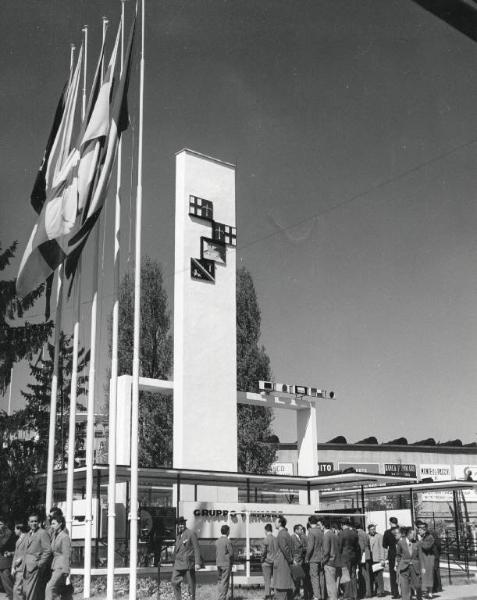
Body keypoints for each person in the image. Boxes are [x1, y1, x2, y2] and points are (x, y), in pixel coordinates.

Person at [22, 512, 52, 600]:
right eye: (31, 521)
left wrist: (39, 563)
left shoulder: (42, 533)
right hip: (25, 567)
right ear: (28, 522)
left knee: (30, 593)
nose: (33, 523)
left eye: (35, 521)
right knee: (26, 591)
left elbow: (48, 550)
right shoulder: (28, 534)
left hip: (35, 567)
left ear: (38, 522)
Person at [171, 516, 202, 600]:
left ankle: (192, 598)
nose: (180, 526)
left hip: (188, 563)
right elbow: (176, 550)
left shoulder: (191, 533)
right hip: (178, 563)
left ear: (184, 524)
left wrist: (197, 563)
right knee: (174, 581)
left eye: (181, 524)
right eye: (178, 524)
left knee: (191, 585)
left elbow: (196, 548)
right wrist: (173, 560)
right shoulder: (178, 536)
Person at [45, 514, 71, 600]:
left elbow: (67, 554)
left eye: (54, 523)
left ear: (60, 524)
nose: (52, 526)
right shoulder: (55, 536)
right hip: (54, 565)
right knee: (55, 591)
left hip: (61, 566)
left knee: (49, 587)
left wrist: (66, 570)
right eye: (51, 524)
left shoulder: (64, 537)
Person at [396, 527, 422, 600]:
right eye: (412, 534)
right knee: (404, 586)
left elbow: (420, 555)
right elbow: (398, 555)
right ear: (407, 534)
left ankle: (419, 597)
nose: (413, 535)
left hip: (415, 566)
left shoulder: (417, 543)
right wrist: (398, 564)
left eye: (414, 534)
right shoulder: (400, 542)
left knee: (417, 585)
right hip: (404, 566)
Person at [337, 520, 360, 600]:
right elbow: (357, 547)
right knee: (353, 575)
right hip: (353, 556)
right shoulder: (354, 533)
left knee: (346, 575)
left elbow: (339, 546)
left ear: (342, 524)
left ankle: (348, 595)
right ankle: (355, 594)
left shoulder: (342, 533)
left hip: (345, 556)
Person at [274, 516, 294, 600]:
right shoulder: (285, 533)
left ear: (280, 523)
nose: (274, 523)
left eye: (276, 521)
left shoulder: (281, 534)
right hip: (284, 561)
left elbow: (284, 548)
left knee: (282, 586)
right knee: (285, 585)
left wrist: (290, 559)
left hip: (283, 562)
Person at [305, 515, 324, 600]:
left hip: (313, 558)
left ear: (309, 522)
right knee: (321, 577)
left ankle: (317, 595)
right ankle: (322, 594)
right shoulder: (321, 531)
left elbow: (310, 547)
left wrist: (307, 557)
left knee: (314, 577)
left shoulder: (311, 532)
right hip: (321, 558)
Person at [416, 521, 434, 600]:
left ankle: (430, 593)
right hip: (421, 558)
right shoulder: (421, 538)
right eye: (418, 530)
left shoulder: (430, 537)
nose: (419, 532)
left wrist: (420, 541)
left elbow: (427, 547)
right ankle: (426, 592)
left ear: (424, 530)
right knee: (423, 575)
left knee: (428, 575)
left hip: (428, 558)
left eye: (420, 530)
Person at [367, 524, 386, 598]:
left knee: (379, 576)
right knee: (372, 576)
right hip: (370, 559)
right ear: (368, 530)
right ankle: (373, 590)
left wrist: (382, 559)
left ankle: (380, 591)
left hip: (377, 559)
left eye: (374, 529)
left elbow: (382, 548)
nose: (373, 530)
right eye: (371, 529)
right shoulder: (367, 536)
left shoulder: (379, 536)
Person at [215, 524, 233, 600]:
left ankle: (220, 596)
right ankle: (222, 598)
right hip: (226, 564)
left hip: (218, 563)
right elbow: (231, 553)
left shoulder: (217, 541)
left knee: (220, 581)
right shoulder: (228, 541)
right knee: (225, 581)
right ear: (228, 532)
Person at [383, 517, 400, 599]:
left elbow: (384, 545)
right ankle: (407, 591)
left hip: (392, 555)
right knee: (404, 574)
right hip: (402, 554)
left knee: (393, 575)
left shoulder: (387, 532)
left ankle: (395, 593)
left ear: (390, 523)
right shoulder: (401, 531)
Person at [322, 517, 339, 600]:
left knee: (330, 584)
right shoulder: (334, 535)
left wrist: (323, 561)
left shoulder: (326, 535)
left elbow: (326, 551)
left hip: (329, 562)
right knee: (335, 583)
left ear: (323, 526)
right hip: (336, 561)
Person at [11, 523, 28, 600]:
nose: (14, 531)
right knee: (18, 588)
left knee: (17, 589)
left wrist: (21, 559)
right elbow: (15, 555)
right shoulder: (18, 540)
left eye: (15, 529)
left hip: (22, 567)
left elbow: (28, 552)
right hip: (17, 567)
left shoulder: (27, 538)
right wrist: (13, 568)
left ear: (19, 529)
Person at [0, 517, 16, 600]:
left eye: (0, 524)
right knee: (6, 586)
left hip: (5, 563)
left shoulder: (8, 532)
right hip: (2, 562)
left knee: (8, 585)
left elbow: (2, 544)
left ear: (5, 524)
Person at [261, 523, 277, 600]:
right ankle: (275, 593)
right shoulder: (275, 539)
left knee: (267, 579)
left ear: (265, 530)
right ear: (271, 530)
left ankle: (268, 595)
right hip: (275, 562)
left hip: (267, 562)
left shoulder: (265, 539)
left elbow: (263, 552)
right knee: (275, 578)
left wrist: (262, 559)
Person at [356, 522, 370, 599]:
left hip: (363, 555)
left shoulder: (359, 534)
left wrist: (360, 556)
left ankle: (366, 592)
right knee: (367, 573)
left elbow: (361, 546)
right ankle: (368, 591)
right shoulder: (365, 533)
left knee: (363, 574)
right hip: (367, 554)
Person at [291, 524, 306, 598]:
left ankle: (297, 594)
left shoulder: (300, 537)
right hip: (296, 561)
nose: (302, 531)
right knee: (295, 579)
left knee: (299, 579)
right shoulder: (292, 538)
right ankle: (294, 595)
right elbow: (291, 549)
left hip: (301, 560)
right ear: (296, 530)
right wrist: (293, 559)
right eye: (300, 529)